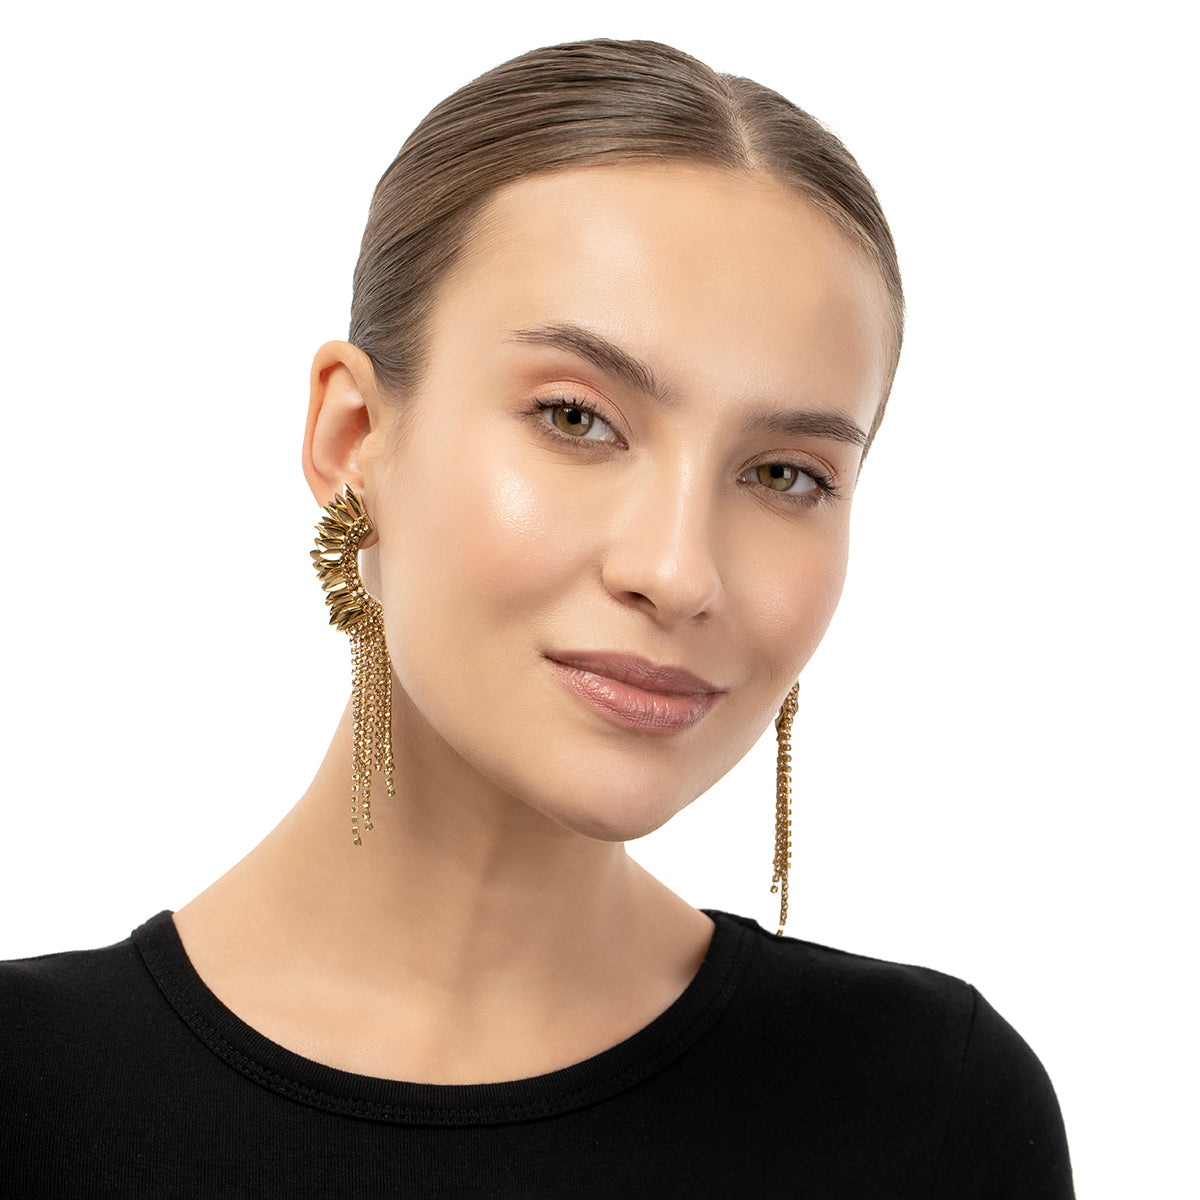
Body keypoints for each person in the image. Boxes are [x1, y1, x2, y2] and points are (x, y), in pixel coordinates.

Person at [0, 38, 1073, 1197]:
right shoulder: (28, 1094)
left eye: (784, 475)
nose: (678, 571)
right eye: (575, 418)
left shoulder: (928, 1111)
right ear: (354, 438)